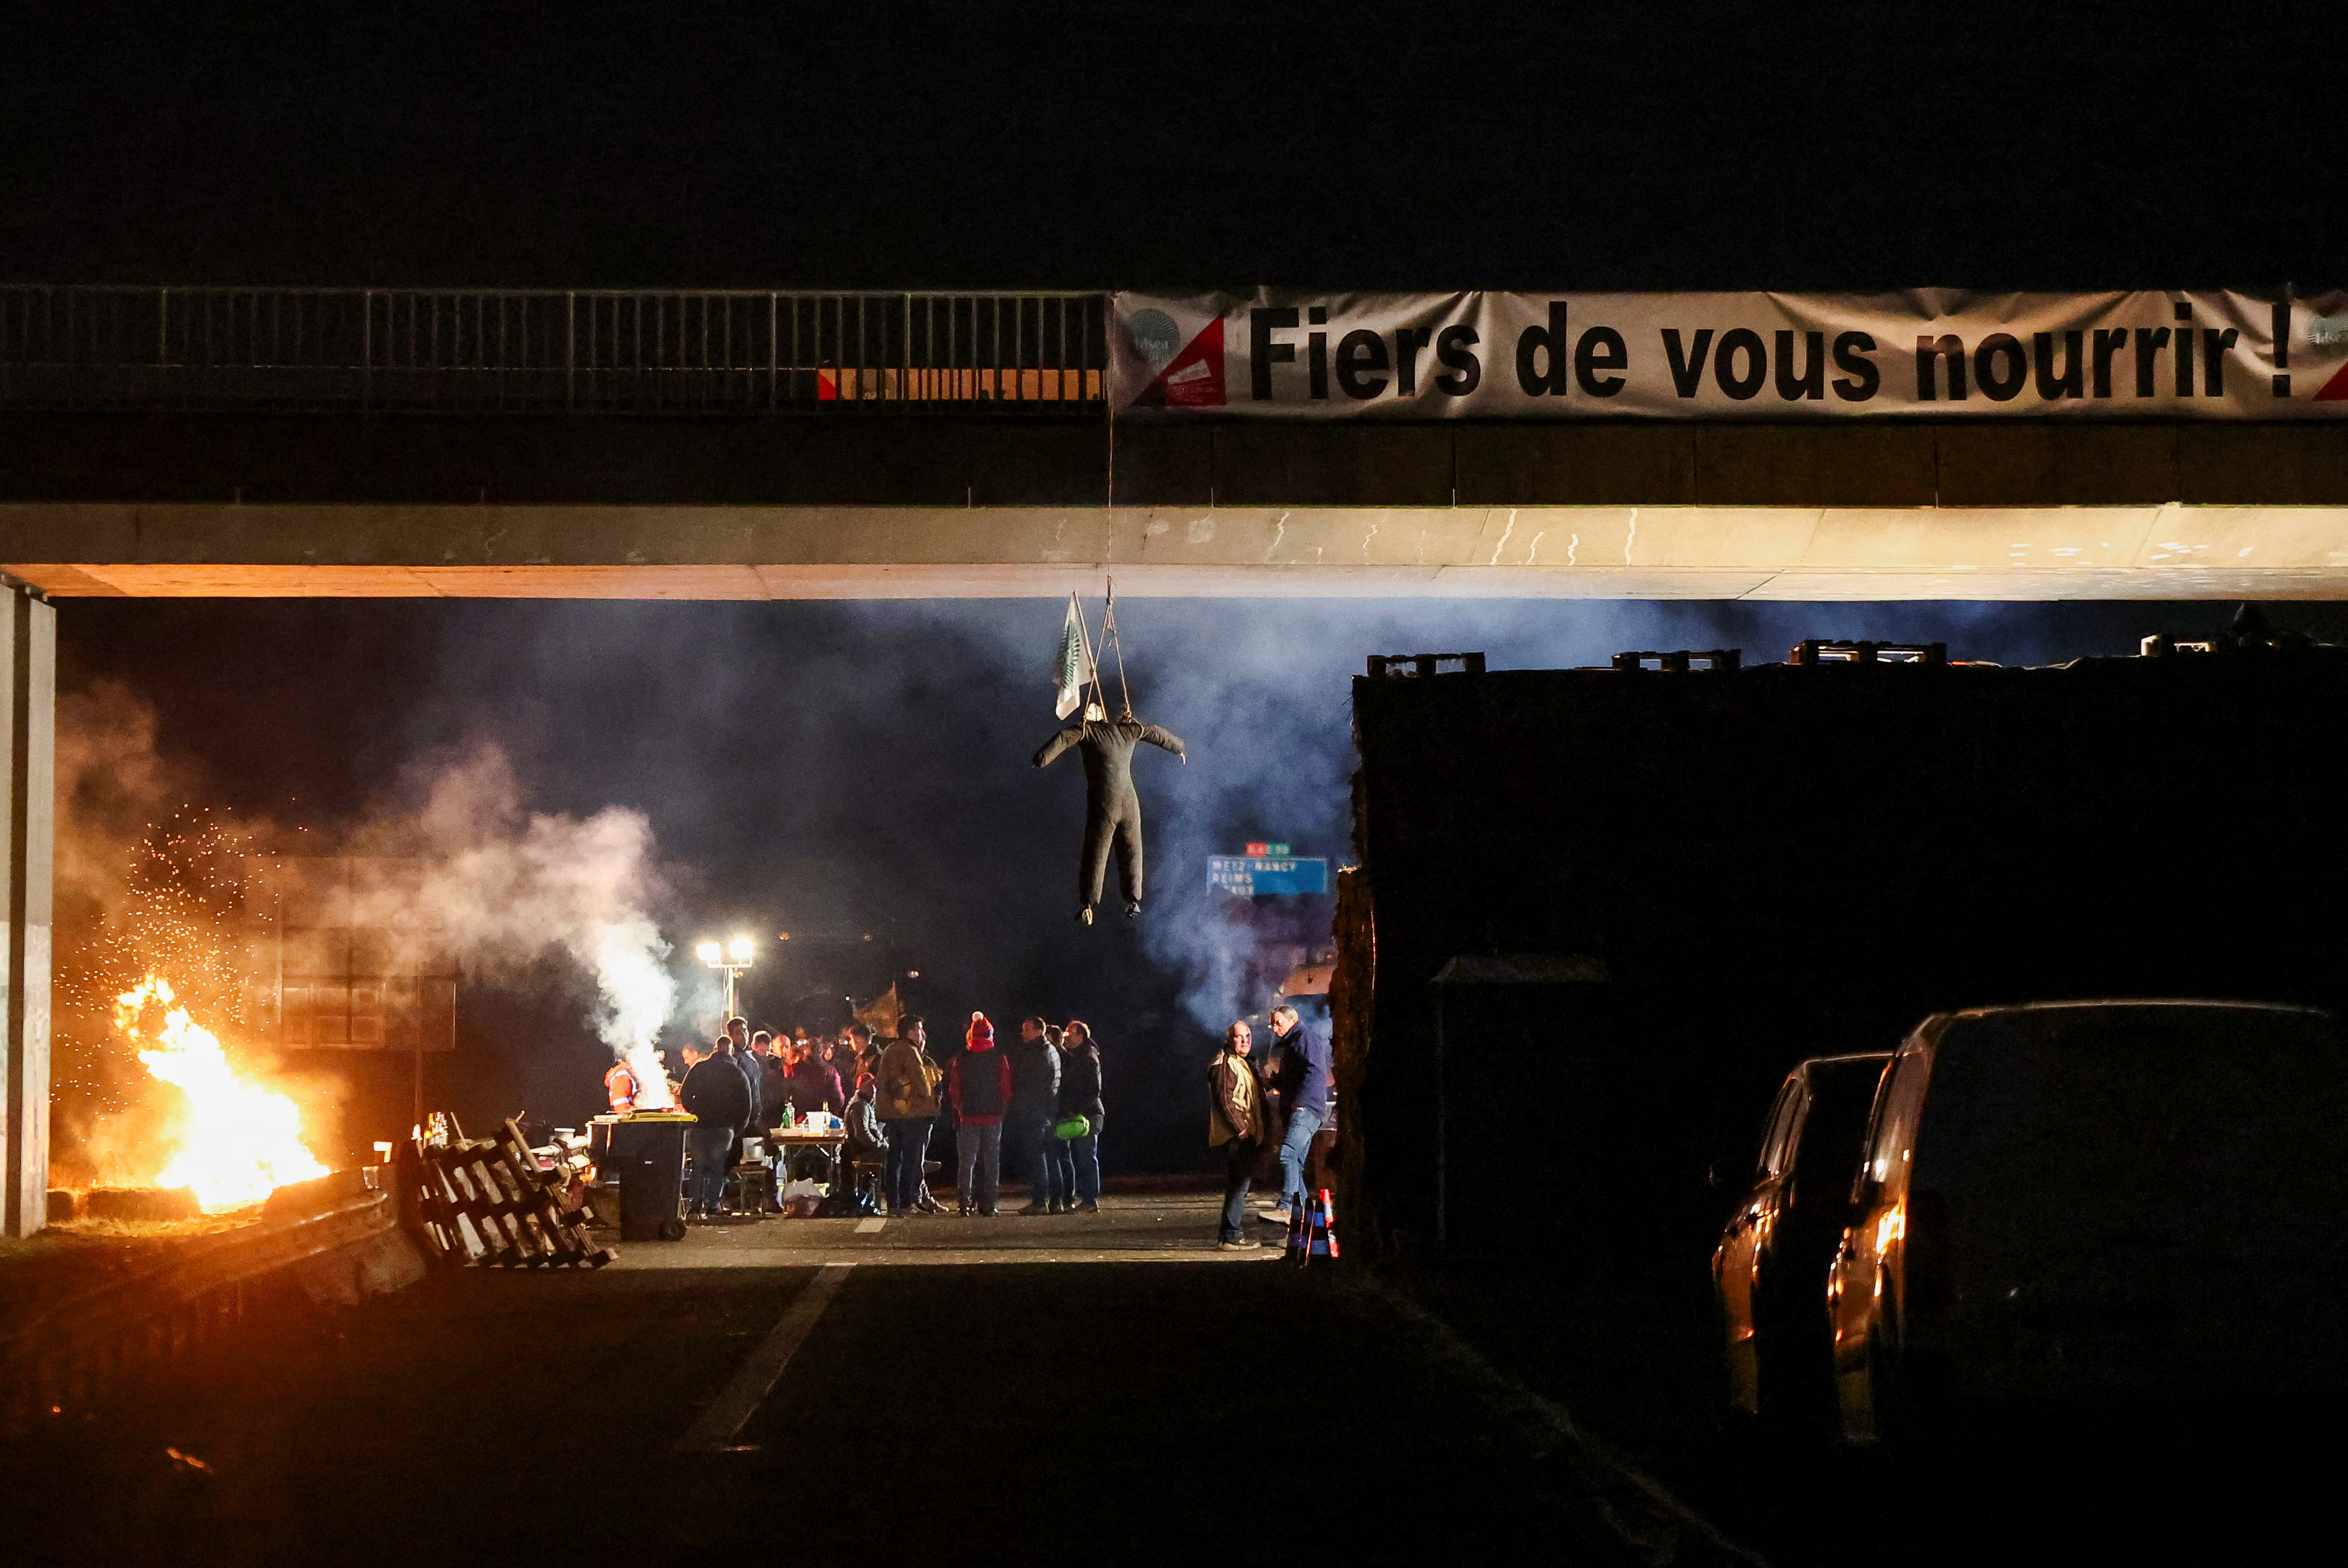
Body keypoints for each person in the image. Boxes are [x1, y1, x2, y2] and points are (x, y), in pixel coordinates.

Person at [1031, 704, 1187, 924]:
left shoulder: (1087, 731)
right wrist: (1178, 746)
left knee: (1097, 849)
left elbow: (1063, 738)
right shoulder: (1128, 731)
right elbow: (1154, 732)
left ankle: (1088, 902)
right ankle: (1133, 901)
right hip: (1129, 802)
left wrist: (1042, 758)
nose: (1085, 714)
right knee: (1132, 848)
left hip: (1105, 802)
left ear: (1093, 717)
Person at [1257, 1004, 1333, 1229]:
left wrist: (1300, 1103)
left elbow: (1314, 1071)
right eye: (1272, 1024)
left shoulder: (1304, 1038)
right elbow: (1293, 1077)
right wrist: (1272, 1082)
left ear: (1293, 1020)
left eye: (1279, 1022)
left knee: (1287, 1155)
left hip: (1306, 1109)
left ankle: (1286, 1206)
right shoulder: (1293, 1043)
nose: (1274, 1028)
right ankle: (1304, 1217)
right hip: (1305, 1108)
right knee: (1297, 1163)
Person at [1207, 1021, 1269, 1249]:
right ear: (1229, 1039)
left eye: (1248, 1036)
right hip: (1237, 1137)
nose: (1245, 1040)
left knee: (1240, 1185)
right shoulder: (1225, 1064)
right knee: (1239, 1185)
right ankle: (1231, 1236)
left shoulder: (1243, 1063)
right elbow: (1225, 1099)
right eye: (1239, 1036)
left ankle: (1228, 1236)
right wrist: (1241, 1129)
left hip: (1246, 1135)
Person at [948, 1012, 1012, 1216]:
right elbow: (1006, 1088)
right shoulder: (999, 1058)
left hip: (968, 1117)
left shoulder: (962, 1059)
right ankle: (989, 1205)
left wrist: (960, 1108)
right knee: (992, 1163)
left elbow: (954, 1089)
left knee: (967, 1163)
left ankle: (964, 1204)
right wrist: (1002, 1109)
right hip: (993, 1117)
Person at [877, 1016, 941, 1218]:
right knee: (911, 1161)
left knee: (894, 1159)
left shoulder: (889, 1050)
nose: (923, 1034)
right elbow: (922, 1087)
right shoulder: (910, 1051)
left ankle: (893, 1204)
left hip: (892, 1115)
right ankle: (906, 1204)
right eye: (920, 1030)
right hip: (912, 1115)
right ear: (911, 1032)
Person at [679, 1039, 750, 1221]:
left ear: (715, 1050)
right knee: (718, 1167)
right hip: (724, 1128)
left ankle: (694, 1208)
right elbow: (746, 1105)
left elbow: (684, 1094)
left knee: (698, 1167)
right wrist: (738, 1128)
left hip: (700, 1125)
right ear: (731, 1051)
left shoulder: (700, 1068)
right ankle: (713, 1205)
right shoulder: (737, 1073)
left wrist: (694, 1111)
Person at [1012, 1016, 1066, 1214]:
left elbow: (1030, 1086)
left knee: (1038, 1157)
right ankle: (1056, 1201)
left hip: (1036, 1112)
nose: (1022, 1033)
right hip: (1049, 1111)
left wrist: (1023, 1107)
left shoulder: (1037, 1053)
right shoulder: (1051, 1050)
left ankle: (1040, 1201)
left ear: (1037, 1031)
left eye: (1026, 1029)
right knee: (1052, 1157)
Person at [1059, 1019, 1105, 1213]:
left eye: (1070, 1034)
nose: (1067, 1038)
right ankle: (1087, 1199)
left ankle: (1090, 1200)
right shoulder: (1081, 1055)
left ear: (1081, 1036)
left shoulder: (1087, 1057)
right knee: (1084, 1158)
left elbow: (1093, 1088)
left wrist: (1078, 1110)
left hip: (1089, 1114)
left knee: (1087, 1158)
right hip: (1085, 1113)